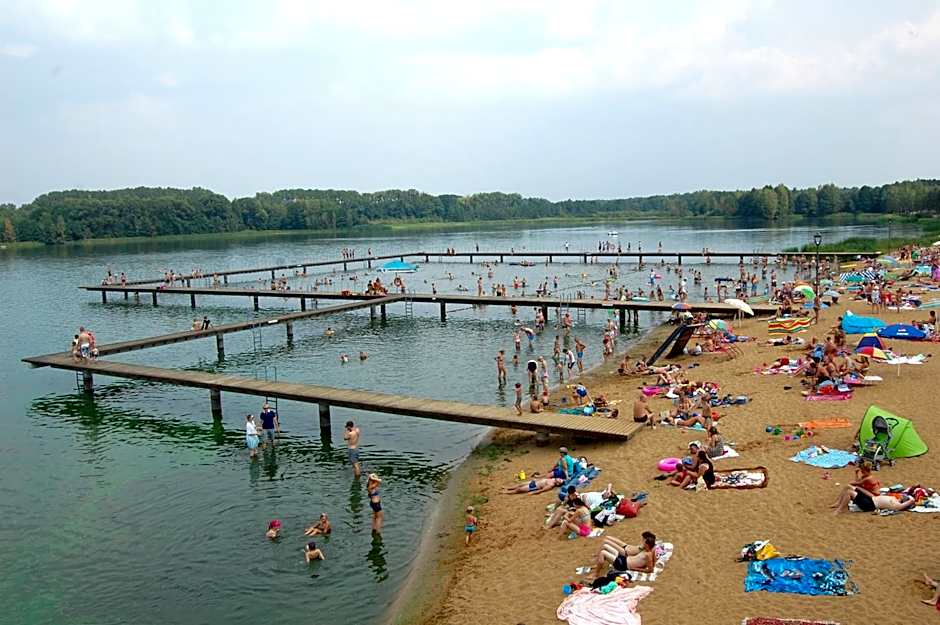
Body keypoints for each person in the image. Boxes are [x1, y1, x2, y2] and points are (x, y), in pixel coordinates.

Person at [592, 531, 657, 580]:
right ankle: (598, 564)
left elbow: (650, 570)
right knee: (605, 546)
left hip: (622, 565)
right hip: (623, 559)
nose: (642, 543)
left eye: (644, 542)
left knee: (603, 552)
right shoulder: (646, 549)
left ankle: (595, 574)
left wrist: (635, 569)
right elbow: (654, 549)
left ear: (647, 544)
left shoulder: (648, 555)